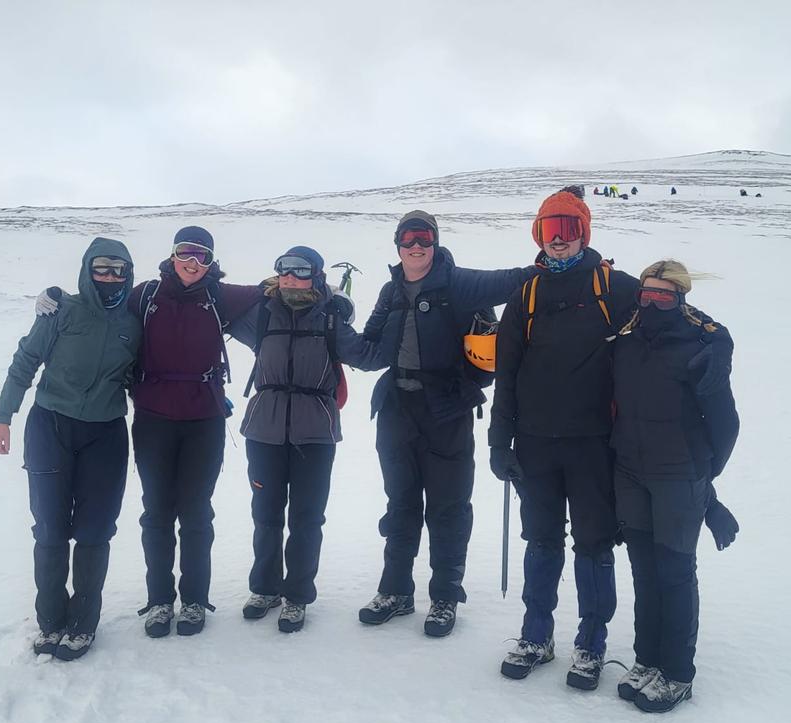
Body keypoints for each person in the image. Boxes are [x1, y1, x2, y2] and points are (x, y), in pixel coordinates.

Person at [36, 226, 264, 639]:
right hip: (154, 419)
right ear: (172, 255)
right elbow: (101, 306)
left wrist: (327, 293)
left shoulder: (219, 296)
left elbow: (273, 290)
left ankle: (194, 600)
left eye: (203, 257)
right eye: (185, 253)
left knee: (196, 511)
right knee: (157, 511)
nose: (193, 264)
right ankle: (160, 600)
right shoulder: (145, 295)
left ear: (212, 263)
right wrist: (53, 297)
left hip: (204, 421)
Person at [357, 211, 538, 637]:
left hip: (448, 412)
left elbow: (508, 281)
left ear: (435, 243)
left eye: (424, 238)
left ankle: (444, 596)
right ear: (397, 244)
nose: (416, 246)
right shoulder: (390, 289)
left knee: (448, 506)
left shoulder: (457, 282)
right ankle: (396, 591)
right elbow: (370, 343)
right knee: (400, 503)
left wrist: (541, 268)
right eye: (408, 238)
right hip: (397, 409)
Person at [489, 186, 639, 688]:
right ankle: (537, 636)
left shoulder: (614, 288)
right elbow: (506, 373)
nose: (559, 239)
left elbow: (654, 340)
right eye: (550, 230)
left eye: (568, 229)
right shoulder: (525, 295)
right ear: (538, 234)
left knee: (594, 544)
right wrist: (498, 441)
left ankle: (591, 645)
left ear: (584, 234)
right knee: (542, 539)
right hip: (534, 443)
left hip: (594, 443)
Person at [0, 237, 142, 661]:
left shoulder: (135, 322)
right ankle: (51, 621)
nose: (111, 276)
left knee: (95, 531)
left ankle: (83, 624)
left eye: (119, 270)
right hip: (50, 428)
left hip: (106, 435)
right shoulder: (61, 309)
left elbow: (149, 372)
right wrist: (3, 416)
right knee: (51, 529)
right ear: (88, 269)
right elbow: (26, 361)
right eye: (103, 267)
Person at [229, 246, 384, 633]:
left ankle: (297, 596)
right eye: (282, 271)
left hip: (315, 434)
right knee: (265, 515)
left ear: (315, 276)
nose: (289, 278)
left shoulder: (330, 318)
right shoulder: (261, 314)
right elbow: (215, 303)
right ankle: (264, 589)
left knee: (306, 518)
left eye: (299, 272)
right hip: (264, 430)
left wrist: (394, 318)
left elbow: (367, 356)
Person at [609, 260, 739, 713]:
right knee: (644, 571)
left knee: (675, 572)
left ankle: (678, 672)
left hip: (678, 475)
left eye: (664, 295)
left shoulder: (700, 346)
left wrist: (703, 476)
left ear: (681, 299)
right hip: (629, 472)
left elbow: (725, 423)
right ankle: (648, 660)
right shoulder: (624, 342)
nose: (652, 301)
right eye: (646, 294)